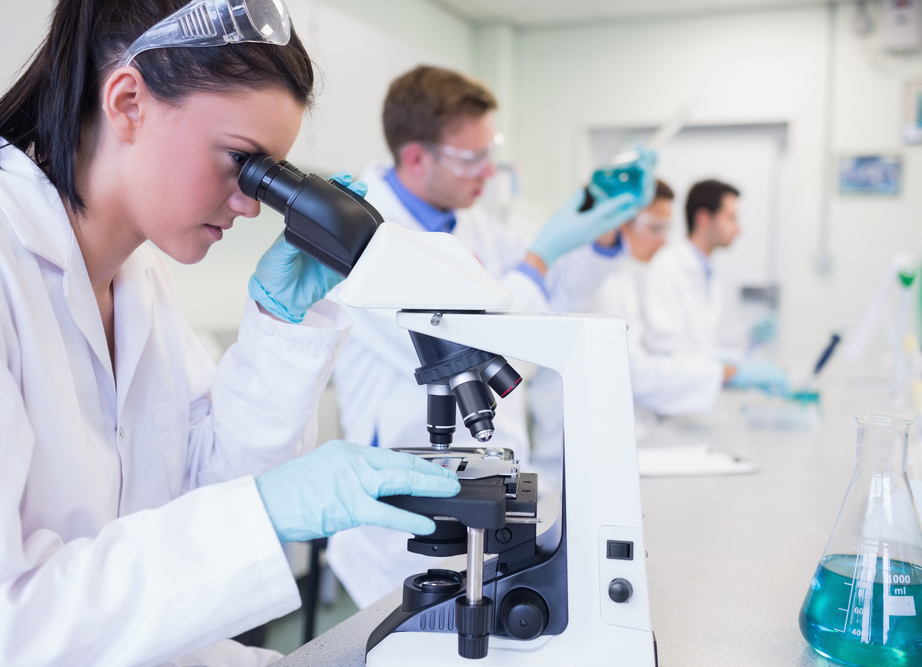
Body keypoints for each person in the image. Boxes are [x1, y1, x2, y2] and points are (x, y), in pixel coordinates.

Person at [0, 2, 461, 665]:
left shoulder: (140, 280)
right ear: (127, 103)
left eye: (271, 173)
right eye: (241, 160)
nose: (252, 201)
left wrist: (279, 326)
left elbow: (204, 489)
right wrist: (263, 511)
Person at [325, 65, 654, 609]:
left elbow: (547, 300)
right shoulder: (364, 244)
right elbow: (466, 343)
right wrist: (539, 255)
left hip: (487, 483)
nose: (488, 172)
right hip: (400, 527)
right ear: (415, 157)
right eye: (471, 158)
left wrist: (600, 230)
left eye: (490, 152)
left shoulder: (474, 223)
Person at [530, 180, 731, 461]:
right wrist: (720, 375)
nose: (663, 241)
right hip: (572, 448)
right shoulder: (594, 281)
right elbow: (632, 373)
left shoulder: (625, 275)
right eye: (655, 228)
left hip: (611, 437)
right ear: (617, 222)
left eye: (666, 228)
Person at [641, 178, 787, 392]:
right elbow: (668, 353)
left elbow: (703, 344)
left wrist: (749, 337)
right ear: (703, 218)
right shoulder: (666, 267)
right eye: (731, 218)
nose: (738, 227)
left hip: (689, 397)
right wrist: (733, 373)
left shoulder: (706, 272)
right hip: (666, 404)